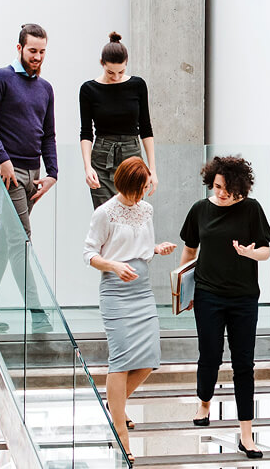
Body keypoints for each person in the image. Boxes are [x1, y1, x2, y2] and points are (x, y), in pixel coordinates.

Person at [179, 156, 270, 460]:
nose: (221, 193)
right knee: (210, 355)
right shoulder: (199, 210)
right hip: (207, 294)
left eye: (228, 189)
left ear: (240, 189)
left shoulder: (251, 209)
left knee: (244, 364)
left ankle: (246, 433)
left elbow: (266, 251)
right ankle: (204, 402)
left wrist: (250, 252)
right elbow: (190, 249)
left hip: (244, 297)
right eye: (217, 186)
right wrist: (182, 291)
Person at [83, 157, 176, 464]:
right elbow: (89, 253)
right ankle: (121, 433)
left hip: (142, 289)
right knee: (121, 360)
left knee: (149, 359)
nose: (144, 194)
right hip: (115, 291)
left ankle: (115, 408)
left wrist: (157, 249)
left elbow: (143, 248)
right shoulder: (105, 213)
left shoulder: (145, 210)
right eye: (140, 188)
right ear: (127, 185)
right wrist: (113, 265)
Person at [0, 23, 57, 333]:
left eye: (42, 51)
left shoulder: (45, 88)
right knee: (20, 238)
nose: (37, 57)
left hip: (32, 174)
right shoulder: (1, 78)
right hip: (3, 174)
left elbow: (48, 134)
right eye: (32, 50)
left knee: (3, 241)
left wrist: (53, 173)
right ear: (19, 48)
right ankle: (38, 313)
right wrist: (3, 159)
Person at [79, 32, 158, 209]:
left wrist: (152, 168)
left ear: (126, 64)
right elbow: (86, 132)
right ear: (102, 63)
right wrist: (87, 167)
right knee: (104, 215)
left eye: (121, 72)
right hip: (101, 157)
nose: (115, 77)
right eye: (110, 72)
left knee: (132, 215)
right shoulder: (88, 89)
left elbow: (146, 128)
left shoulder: (138, 85)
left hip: (132, 155)